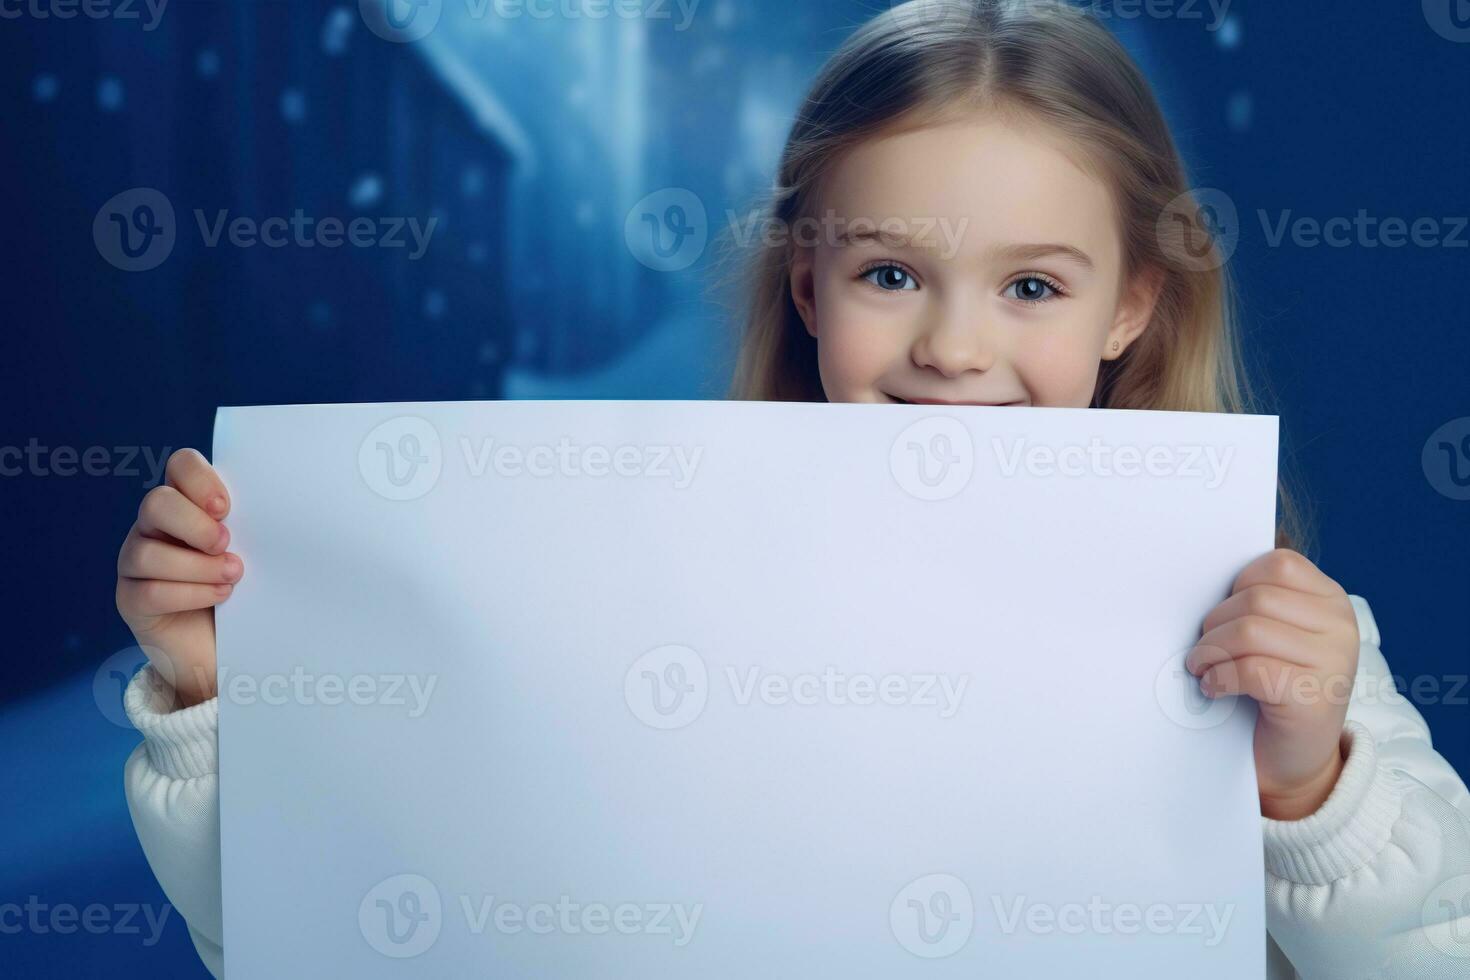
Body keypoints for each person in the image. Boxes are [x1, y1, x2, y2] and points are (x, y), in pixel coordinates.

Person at [117, 2, 1470, 976]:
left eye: (1030, 287)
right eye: (890, 273)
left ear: (1131, 306)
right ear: (807, 283)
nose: (952, 347)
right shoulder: (621, 599)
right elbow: (308, 938)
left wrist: (1308, 786)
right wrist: (214, 697)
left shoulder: (1272, 636)